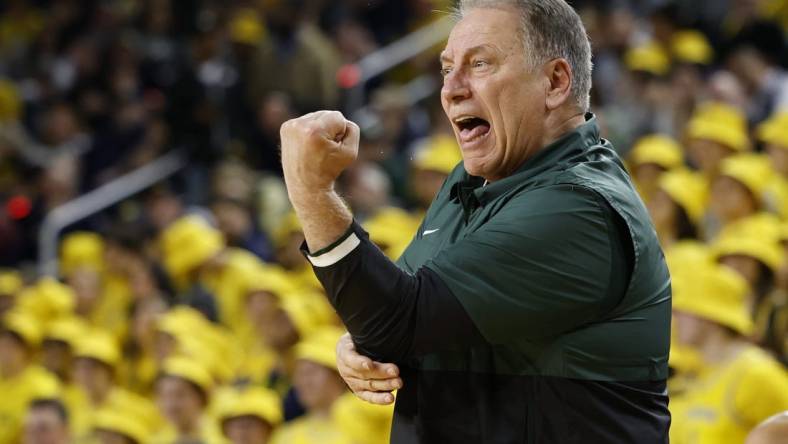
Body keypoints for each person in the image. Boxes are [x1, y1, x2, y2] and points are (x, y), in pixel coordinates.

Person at [279, 1, 672, 442]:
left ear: (556, 82)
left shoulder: (581, 208)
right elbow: (392, 309)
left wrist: (312, 192)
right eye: (448, 69)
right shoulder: (470, 180)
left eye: (480, 64)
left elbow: (396, 320)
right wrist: (359, 345)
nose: (451, 90)